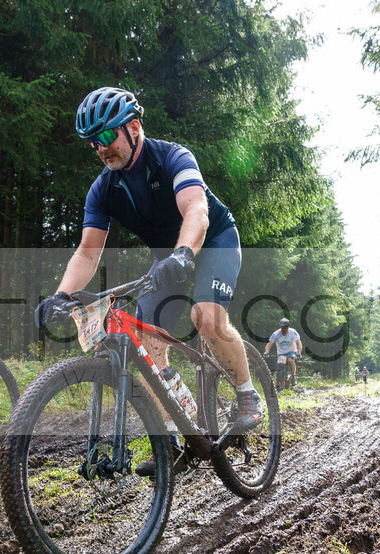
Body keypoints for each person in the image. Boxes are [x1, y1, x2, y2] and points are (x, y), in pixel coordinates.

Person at [34, 87, 262, 476]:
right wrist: (60, 294)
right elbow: (88, 252)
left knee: (206, 319)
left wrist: (184, 253)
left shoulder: (172, 157)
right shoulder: (103, 189)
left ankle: (246, 394)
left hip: (211, 241)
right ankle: (175, 439)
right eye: (93, 142)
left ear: (134, 128)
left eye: (107, 136)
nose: (101, 148)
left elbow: (197, 211)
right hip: (167, 259)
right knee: (146, 344)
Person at [265, 318, 302, 387]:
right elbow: (269, 343)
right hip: (281, 353)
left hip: (292, 351)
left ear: (288, 327)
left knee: (290, 360)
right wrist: (266, 352)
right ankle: (280, 383)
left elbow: (299, 343)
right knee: (280, 364)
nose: (284, 330)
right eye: (282, 328)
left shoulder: (293, 332)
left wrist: (299, 353)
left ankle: (293, 376)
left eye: (285, 328)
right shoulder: (276, 333)